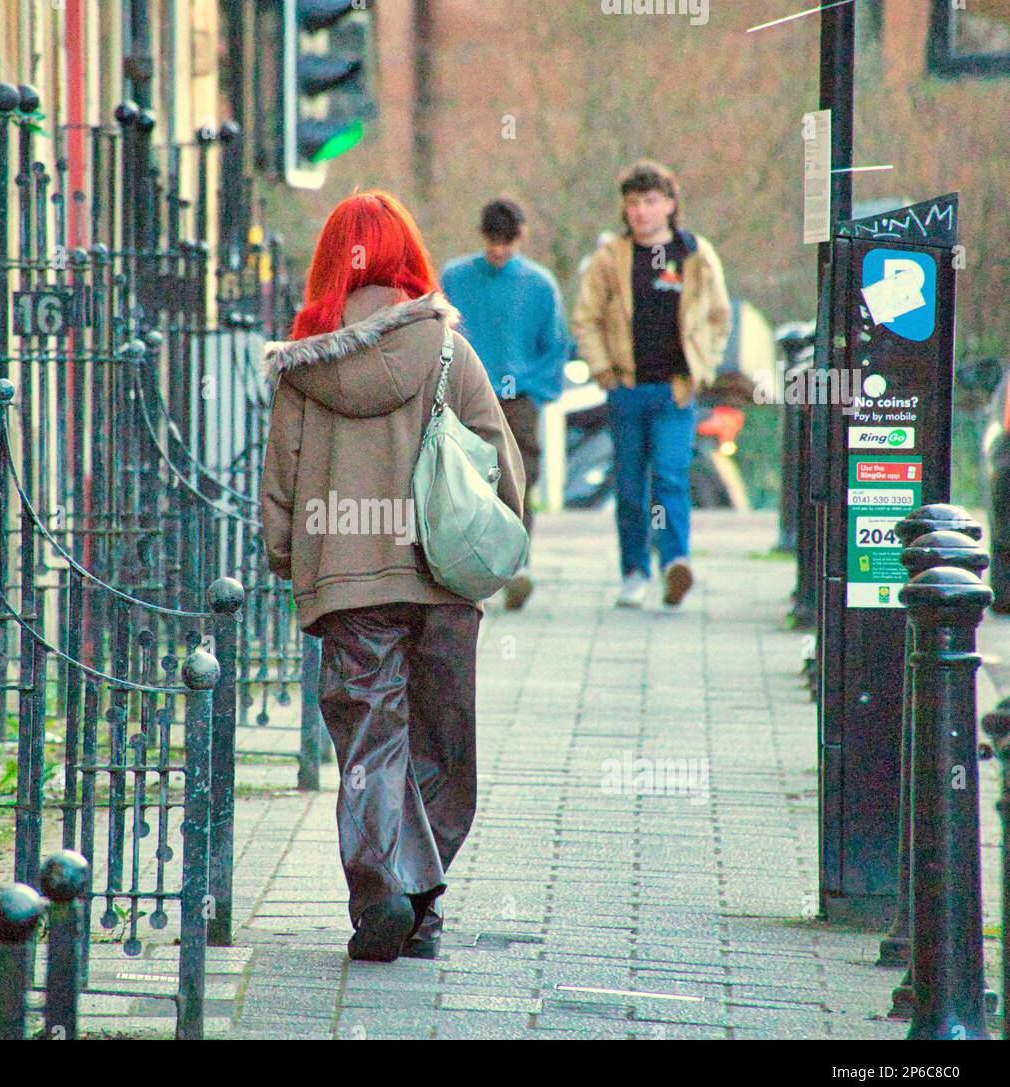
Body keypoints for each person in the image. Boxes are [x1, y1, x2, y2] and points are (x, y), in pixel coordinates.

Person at [260, 190, 525, 962]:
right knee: (442, 746)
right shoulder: (447, 351)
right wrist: (501, 538)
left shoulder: (303, 370)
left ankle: (384, 893)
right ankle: (421, 905)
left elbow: (281, 484)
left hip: (348, 585)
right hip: (440, 576)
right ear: (407, 258)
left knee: (372, 744)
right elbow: (501, 463)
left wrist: (293, 560)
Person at [572, 160, 731, 609]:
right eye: (633, 203)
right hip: (626, 389)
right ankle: (635, 571)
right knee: (628, 485)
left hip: (675, 390)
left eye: (650, 202)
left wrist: (705, 367)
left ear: (670, 204)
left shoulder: (695, 254)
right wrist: (604, 371)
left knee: (670, 477)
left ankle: (675, 562)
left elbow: (719, 317)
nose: (641, 211)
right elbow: (585, 317)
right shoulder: (610, 259)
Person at [441, 199, 571, 610]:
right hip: (469, 392)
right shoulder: (456, 278)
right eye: (494, 242)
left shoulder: (539, 285)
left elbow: (555, 345)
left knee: (518, 479)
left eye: (507, 243)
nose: (499, 251)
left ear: (520, 238)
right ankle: (474, 566)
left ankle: (516, 565)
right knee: (467, 481)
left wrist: (534, 387)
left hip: (518, 399)